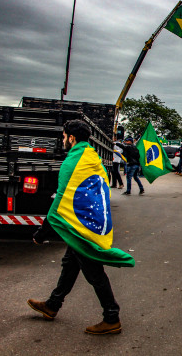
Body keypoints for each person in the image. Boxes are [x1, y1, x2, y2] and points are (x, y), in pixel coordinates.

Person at [27, 119, 133, 335]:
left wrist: (42, 232)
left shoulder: (73, 162)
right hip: (87, 223)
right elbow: (101, 190)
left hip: (82, 229)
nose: (63, 140)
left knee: (94, 273)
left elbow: (60, 201)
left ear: (72, 138)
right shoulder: (92, 157)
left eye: (64, 136)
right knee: (70, 264)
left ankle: (112, 317)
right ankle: (52, 305)